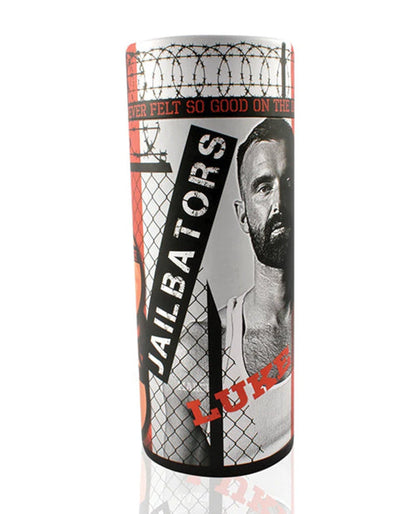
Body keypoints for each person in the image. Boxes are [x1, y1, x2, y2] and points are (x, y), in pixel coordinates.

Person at [164, 118, 294, 466]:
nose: (280, 202)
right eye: (263, 187)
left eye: (291, 181)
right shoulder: (198, 352)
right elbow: (183, 484)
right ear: (242, 216)